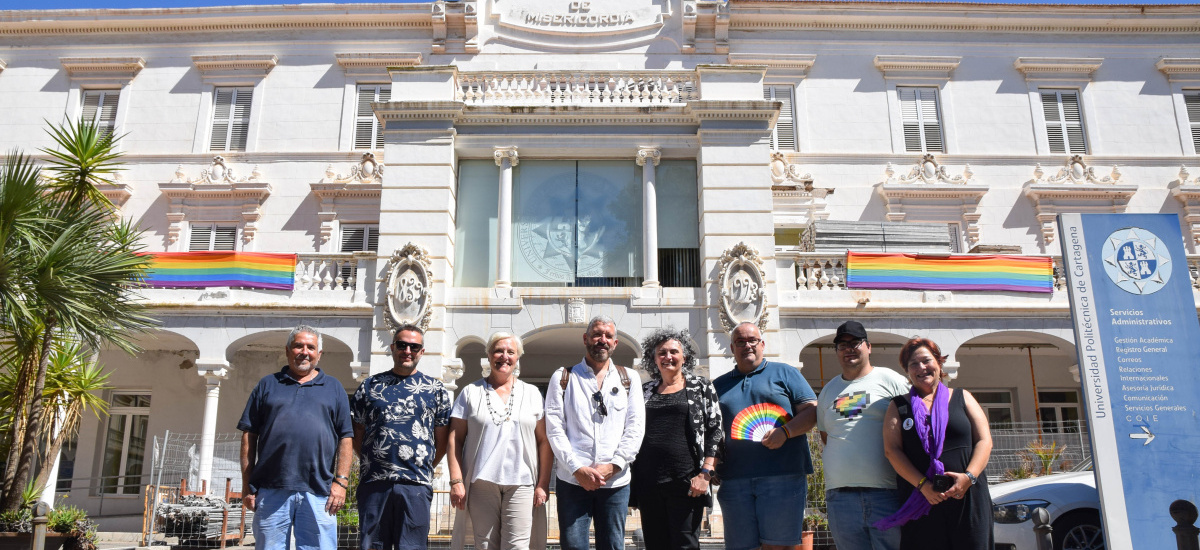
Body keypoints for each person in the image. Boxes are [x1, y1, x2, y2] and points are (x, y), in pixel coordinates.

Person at [237, 325, 353, 550]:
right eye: (298, 345)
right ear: (288, 350)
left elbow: (346, 438)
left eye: (311, 347)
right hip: (271, 490)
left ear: (319, 354)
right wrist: (247, 486)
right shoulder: (267, 385)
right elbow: (249, 436)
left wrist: (341, 483)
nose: (304, 351)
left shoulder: (334, 388)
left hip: (320, 492)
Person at [875, 338, 994, 549]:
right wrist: (924, 486)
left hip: (967, 497)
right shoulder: (899, 406)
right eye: (913, 364)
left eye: (926, 361)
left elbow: (984, 441)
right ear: (907, 371)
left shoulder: (962, 397)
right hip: (923, 500)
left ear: (939, 364)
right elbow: (892, 451)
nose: (921, 368)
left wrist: (968, 477)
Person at [712, 321, 818, 550]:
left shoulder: (786, 373)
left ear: (762, 344)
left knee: (779, 547)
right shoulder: (718, 385)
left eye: (752, 340)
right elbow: (712, 432)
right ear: (732, 348)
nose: (747, 345)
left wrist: (786, 431)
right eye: (740, 341)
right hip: (734, 479)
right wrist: (711, 466)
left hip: (783, 476)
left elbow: (812, 412)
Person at [544, 316, 646, 550]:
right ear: (586, 339)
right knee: (573, 545)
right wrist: (576, 468)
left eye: (608, 336)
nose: (602, 340)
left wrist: (615, 465)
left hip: (616, 483)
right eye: (597, 334)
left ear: (615, 343)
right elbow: (554, 428)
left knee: (612, 545)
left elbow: (635, 427)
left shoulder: (629, 378)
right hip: (572, 481)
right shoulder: (563, 377)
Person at [351, 324, 451, 550]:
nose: (407, 350)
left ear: (421, 351)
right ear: (392, 347)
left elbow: (442, 441)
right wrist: (376, 458)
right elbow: (356, 433)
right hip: (374, 484)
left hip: (415, 485)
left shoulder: (435, 389)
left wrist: (421, 465)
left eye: (414, 346)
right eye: (402, 345)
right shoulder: (369, 386)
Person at [447, 332, 552, 550]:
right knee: (485, 546)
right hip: (482, 482)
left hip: (522, 483)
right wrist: (456, 481)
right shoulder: (470, 393)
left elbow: (544, 441)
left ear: (518, 358)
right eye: (498, 350)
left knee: (517, 547)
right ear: (488, 355)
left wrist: (542, 484)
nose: (504, 356)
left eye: (510, 352)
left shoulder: (532, 393)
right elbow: (455, 438)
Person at [816, 321, 910, 550]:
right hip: (840, 498)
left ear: (868, 346)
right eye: (842, 344)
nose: (848, 348)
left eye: (855, 342)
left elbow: (913, 427)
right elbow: (826, 436)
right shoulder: (828, 391)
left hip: (887, 495)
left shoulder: (892, 381)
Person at [630, 327, 723, 550]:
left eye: (673, 352)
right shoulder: (645, 390)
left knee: (685, 544)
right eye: (661, 353)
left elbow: (715, 431)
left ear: (685, 357)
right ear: (654, 358)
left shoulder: (701, 387)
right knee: (654, 544)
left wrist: (706, 474)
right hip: (649, 482)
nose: (667, 357)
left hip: (687, 482)